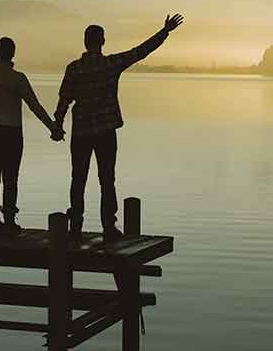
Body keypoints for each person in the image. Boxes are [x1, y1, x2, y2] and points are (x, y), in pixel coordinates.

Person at [53, 13, 185, 240]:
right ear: (102, 41)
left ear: (85, 42)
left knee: (78, 179)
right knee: (107, 179)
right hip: (105, 131)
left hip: (81, 132)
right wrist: (164, 32)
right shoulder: (110, 64)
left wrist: (58, 124)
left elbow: (64, 99)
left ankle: (75, 225)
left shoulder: (74, 69)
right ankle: (109, 227)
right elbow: (140, 51)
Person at [0, 0, 63, 236]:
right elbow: (35, 106)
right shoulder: (18, 79)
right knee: (10, 178)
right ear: (13, 54)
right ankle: (8, 218)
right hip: (11, 133)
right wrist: (53, 127)